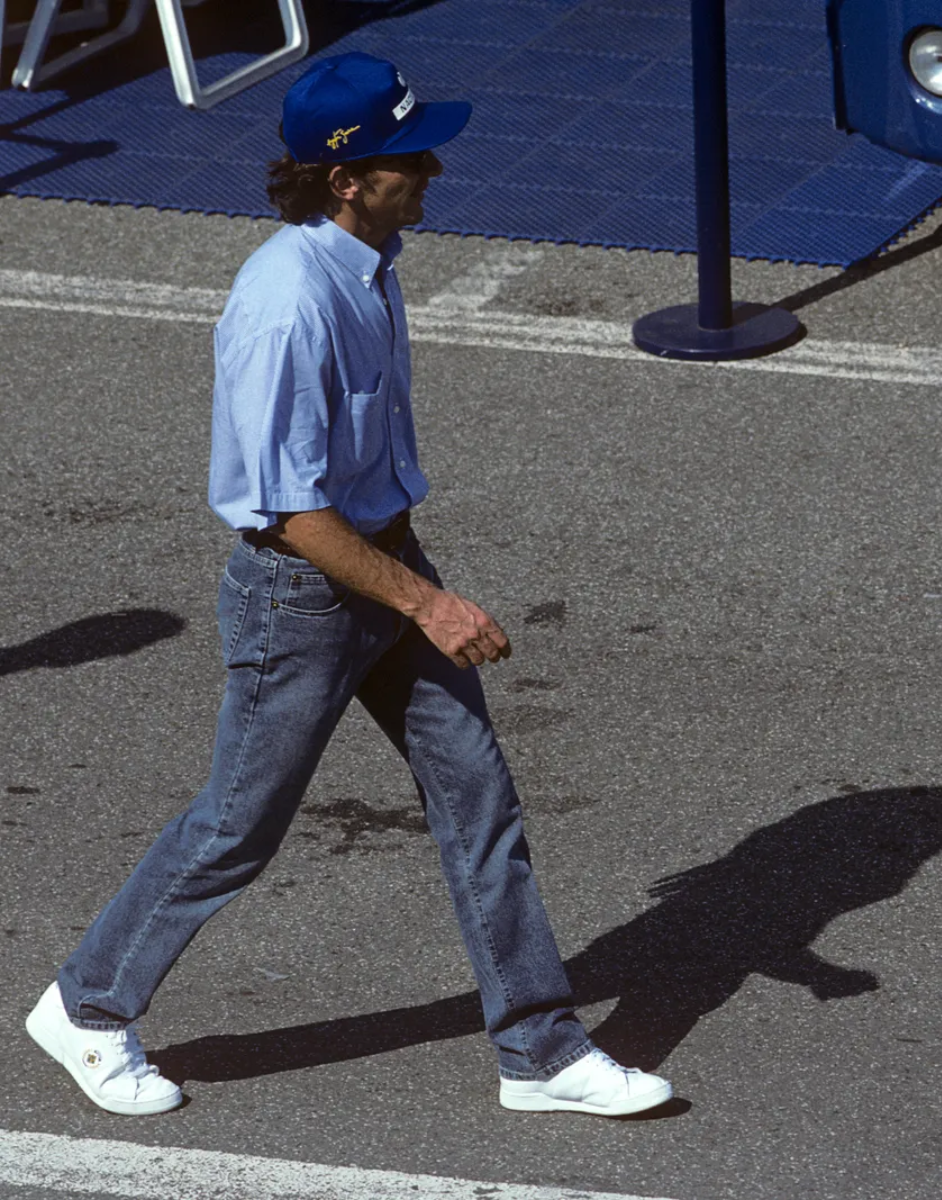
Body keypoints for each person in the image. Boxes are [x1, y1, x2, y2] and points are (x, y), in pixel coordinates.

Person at [25, 52, 671, 1119]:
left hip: (383, 567)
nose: (433, 171)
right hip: (306, 598)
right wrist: (429, 603)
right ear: (346, 178)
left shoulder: (369, 256)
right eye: (409, 157)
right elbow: (291, 511)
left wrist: (413, 579)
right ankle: (87, 1008)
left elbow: (356, 484)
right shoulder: (286, 307)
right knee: (238, 828)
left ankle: (541, 1054)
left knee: (479, 805)